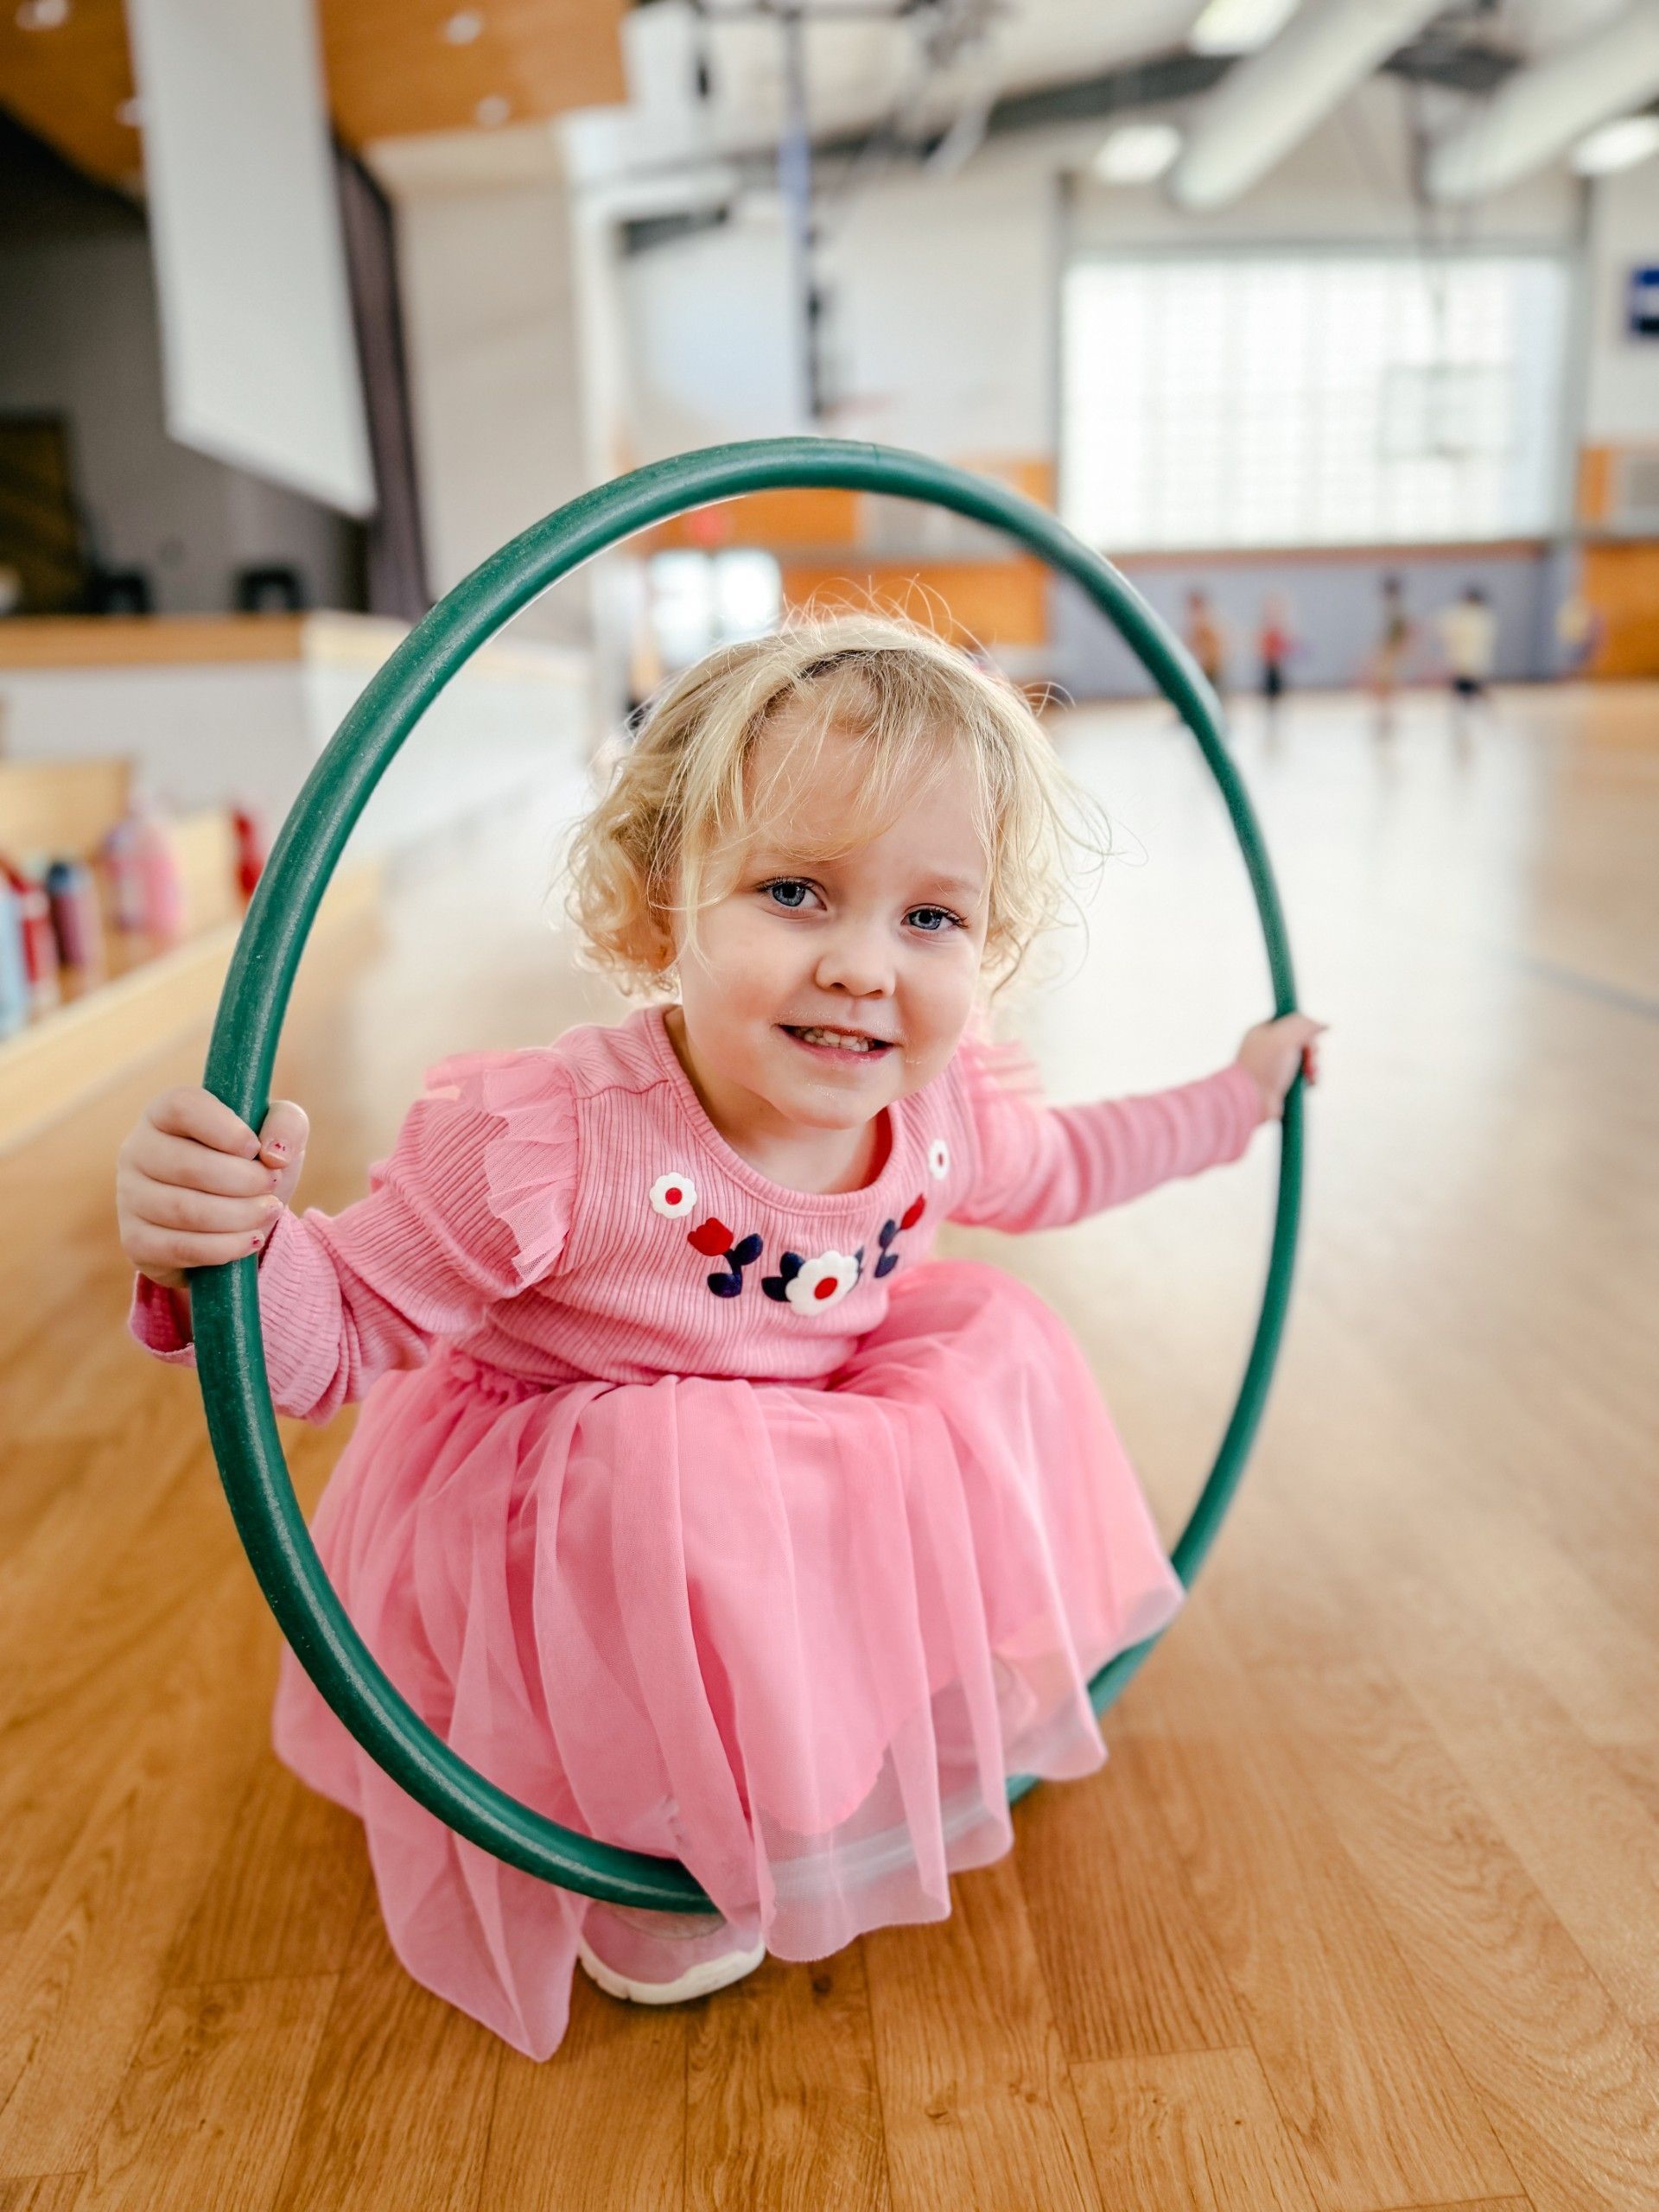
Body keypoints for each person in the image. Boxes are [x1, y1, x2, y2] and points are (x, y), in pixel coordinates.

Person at [115, 613, 1325, 2062]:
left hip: (802, 1453)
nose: (866, 966)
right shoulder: (552, 1138)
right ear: (652, 913)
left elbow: (1073, 1162)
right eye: (797, 891)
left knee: (995, 1344)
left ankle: (818, 1750)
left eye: (932, 917)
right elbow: (334, 1334)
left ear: (988, 948)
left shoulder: (943, 1108)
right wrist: (228, 1250)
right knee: (672, 1469)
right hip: (589, 1510)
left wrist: (1239, 1098)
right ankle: (652, 1827)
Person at [1436, 583, 1497, 726]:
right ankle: (1467, 716)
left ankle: (1486, 714)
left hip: (1468, 661)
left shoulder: (1469, 615)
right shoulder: (1482, 616)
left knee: (1473, 688)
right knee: (1465, 689)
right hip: (1470, 661)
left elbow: (1446, 629)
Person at [1368, 575, 1414, 729]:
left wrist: (1389, 650)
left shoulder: (1393, 608)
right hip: (1390, 651)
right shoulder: (1393, 607)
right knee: (1385, 686)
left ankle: (1386, 718)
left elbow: (1400, 631)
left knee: (1384, 686)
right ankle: (1386, 716)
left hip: (1389, 652)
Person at [1184, 588, 1227, 695]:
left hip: (1210, 666)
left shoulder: (1205, 621)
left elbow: (1217, 643)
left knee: (1210, 694)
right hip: (1206, 666)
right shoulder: (1201, 620)